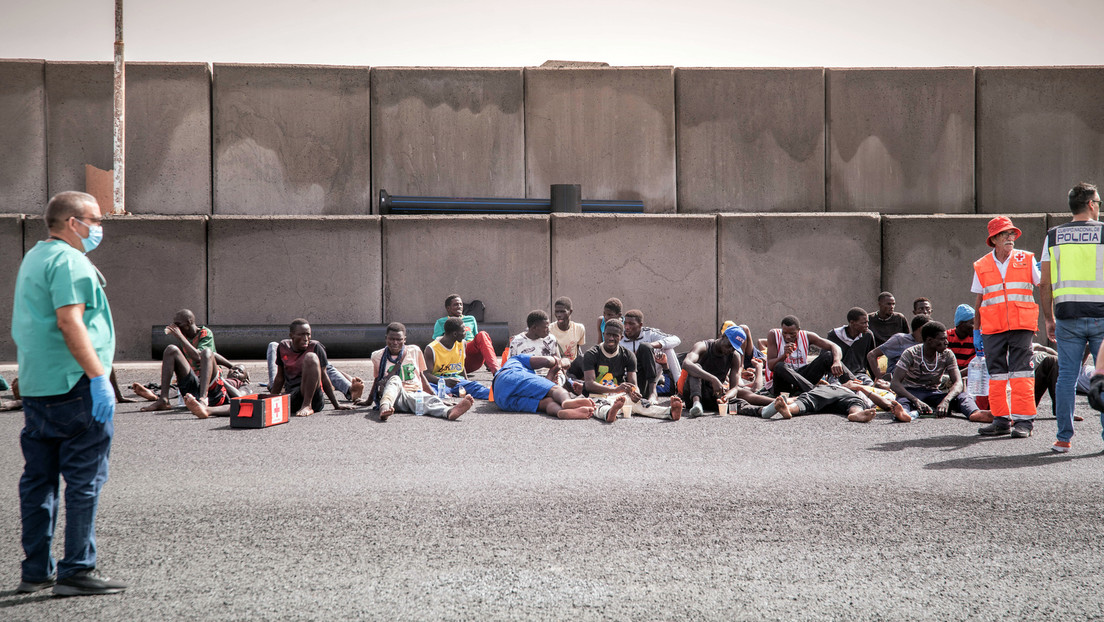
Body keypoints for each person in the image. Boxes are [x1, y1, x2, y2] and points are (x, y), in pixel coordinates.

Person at [12, 191, 126, 595]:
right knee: (84, 479)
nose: (99, 228)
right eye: (95, 220)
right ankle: (77, 568)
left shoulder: (34, 258)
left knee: (39, 480)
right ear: (72, 222)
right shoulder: (70, 261)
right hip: (74, 384)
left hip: (39, 386)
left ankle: (35, 570)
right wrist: (98, 378)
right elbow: (70, 321)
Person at [1040, 182, 1104, 453]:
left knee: (1066, 376)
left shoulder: (1053, 236)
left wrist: (1048, 318)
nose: (1099, 206)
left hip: (1067, 316)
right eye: (1098, 202)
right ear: (1090, 204)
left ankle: (1063, 438)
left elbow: (1044, 283)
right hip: (1102, 316)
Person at [973, 216, 1041, 438]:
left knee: (1022, 373)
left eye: (1012, 234)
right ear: (993, 239)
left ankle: (1024, 422)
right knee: (997, 375)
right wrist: (977, 330)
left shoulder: (1027, 258)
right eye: (1005, 234)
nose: (1010, 237)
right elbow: (980, 299)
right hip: (993, 327)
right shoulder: (982, 265)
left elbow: (1043, 283)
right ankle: (1001, 420)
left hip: (1021, 324)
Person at [361, 322, 473, 421]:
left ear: (404, 339)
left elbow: (421, 375)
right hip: (394, 397)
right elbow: (377, 379)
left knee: (430, 401)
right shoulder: (377, 356)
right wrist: (368, 401)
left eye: (399, 339)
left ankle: (449, 412)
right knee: (395, 379)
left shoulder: (414, 350)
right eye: (391, 339)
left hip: (414, 394)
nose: (395, 342)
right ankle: (384, 409)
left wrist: (436, 396)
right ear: (386, 338)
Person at [581, 319, 682, 421]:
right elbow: (589, 385)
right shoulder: (592, 354)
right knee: (597, 406)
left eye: (615, 335)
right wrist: (615, 390)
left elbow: (633, 384)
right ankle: (610, 413)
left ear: (621, 337)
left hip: (619, 396)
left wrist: (634, 393)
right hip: (597, 395)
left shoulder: (628, 355)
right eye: (608, 335)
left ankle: (669, 412)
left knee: (640, 404)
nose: (611, 338)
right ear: (604, 334)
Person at [132, 309, 232, 412]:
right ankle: (163, 400)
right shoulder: (184, 337)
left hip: (210, 386)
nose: (175, 327)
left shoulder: (205, 333)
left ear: (188, 322)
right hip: (193, 384)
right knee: (171, 349)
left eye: (178, 324)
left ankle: (203, 400)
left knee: (206, 352)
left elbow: (198, 357)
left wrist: (180, 336)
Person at [890, 321, 991, 423]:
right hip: (912, 393)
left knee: (963, 396)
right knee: (903, 401)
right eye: (942, 339)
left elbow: (958, 383)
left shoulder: (947, 354)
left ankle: (975, 413)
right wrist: (916, 401)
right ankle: (904, 414)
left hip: (933, 393)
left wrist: (946, 401)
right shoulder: (911, 353)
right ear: (929, 340)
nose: (947, 342)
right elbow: (894, 383)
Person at [268, 319, 352, 418]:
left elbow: (324, 377)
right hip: (293, 397)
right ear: (292, 336)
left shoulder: (316, 347)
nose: (306, 338)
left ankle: (307, 405)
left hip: (314, 399)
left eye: (308, 334)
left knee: (310, 357)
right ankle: (303, 405)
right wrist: (269, 401)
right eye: (301, 335)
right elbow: (279, 377)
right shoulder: (283, 347)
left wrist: (336, 404)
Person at [681, 324, 769, 417]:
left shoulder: (734, 356)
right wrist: (713, 379)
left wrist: (726, 396)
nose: (730, 350)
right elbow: (686, 363)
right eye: (729, 345)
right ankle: (697, 404)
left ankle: (762, 411)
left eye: (734, 348)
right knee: (696, 367)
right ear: (723, 336)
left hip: (713, 395)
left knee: (737, 403)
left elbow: (734, 388)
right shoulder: (703, 346)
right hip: (693, 394)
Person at [765, 316, 852, 397]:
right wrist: (784, 356)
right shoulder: (774, 334)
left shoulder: (807, 336)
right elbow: (771, 366)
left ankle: (854, 384)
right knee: (780, 366)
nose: (787, 337)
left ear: (798, 330)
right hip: (781, 384)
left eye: (792, 334)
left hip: (801, 380)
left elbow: (835, 346)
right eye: (784, 333)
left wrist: (836, 361)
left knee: (828, 356)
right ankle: (814, 391)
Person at [492, 354, 597, 419]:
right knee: (555, 389)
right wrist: (558, 362)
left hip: (501, 400)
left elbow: (541, 388)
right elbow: (547, 361)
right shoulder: (516, 360)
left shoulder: (520, 375)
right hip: (509, 377)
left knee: (547, 402)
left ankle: (560, 412)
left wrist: (552, 373)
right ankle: (566, 401)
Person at [265, 341, 363, 403]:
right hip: (282, 384)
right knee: (273, 345)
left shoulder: (313, 347)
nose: (305, 338)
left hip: (303, 384)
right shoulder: (284, 346)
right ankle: (276, 388)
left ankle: (350, 389)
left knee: (321, 363)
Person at [621, 309, 682, 402]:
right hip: (630, 378)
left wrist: (651, 345)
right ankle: (650, 392)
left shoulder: (649, 333)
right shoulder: (620, 337)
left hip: (650, 375)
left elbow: (676, 339)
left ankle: (680, 389)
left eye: (631, 324)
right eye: (625, 323)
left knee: (666, 348)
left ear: (640, 325)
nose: (627, 327)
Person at [423, 317, 491, 400]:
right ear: (455, 334)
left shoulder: (462, 344)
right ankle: (447, 401)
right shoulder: (431, 349)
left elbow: (461, 367)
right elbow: (426, 374)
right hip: (439, 383)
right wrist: (444, 381)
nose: (466, 333)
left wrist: (467, 381)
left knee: (481, 389)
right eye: (463, 331)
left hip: (458, 382)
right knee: (430, 395)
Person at [432, 294, 499, 374]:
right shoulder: (441, 322)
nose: (459, 306)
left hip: (471, 356)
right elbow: (437, 345)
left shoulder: (471, 319)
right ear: (448, 308)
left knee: (482, 335)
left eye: (461, 304)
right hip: (454, 358)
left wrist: (488, 364)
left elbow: (481, 343)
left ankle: (497, 372)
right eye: (456, 304)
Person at [867, 314, 930, 384]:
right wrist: (880, 379)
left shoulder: (929, 344)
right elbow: (872, 355)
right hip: (898, 383)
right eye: (930, 329)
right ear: (921, 329)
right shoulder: (900, 340)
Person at [826, 307, 877, 383]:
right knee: (837, 389)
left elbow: (870, 358)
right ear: (852, 323)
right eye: (863, 323)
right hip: (838, 374)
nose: (867, 325)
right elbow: (826, 357)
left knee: (869, 388)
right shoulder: (834, 335)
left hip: (859, 374)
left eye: (867, 322)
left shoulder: (868, 335)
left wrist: (876, 378)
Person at [508, 310, 562, 379]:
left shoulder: (551, 339)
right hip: (526, 378)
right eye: (546, 327)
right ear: (534, 328)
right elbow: (511, 366)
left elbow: (558, 362)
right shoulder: (516, 341)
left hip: (549, 376)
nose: (548, 330)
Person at [549, 296, 586, 361]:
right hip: (557, 366)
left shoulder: (579, 328)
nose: (559, 315)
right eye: (557, 312)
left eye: (562, 312)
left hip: (573, 367)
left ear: (570, 312)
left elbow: (578, 348)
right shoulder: (549, 329)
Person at [946, 304, 977, 373]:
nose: (975, 327)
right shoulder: (947, 337)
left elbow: (979, 364)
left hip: (969, 374)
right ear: (961, 324)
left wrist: (958, 376)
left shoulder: (977, 337)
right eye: (972, 323)